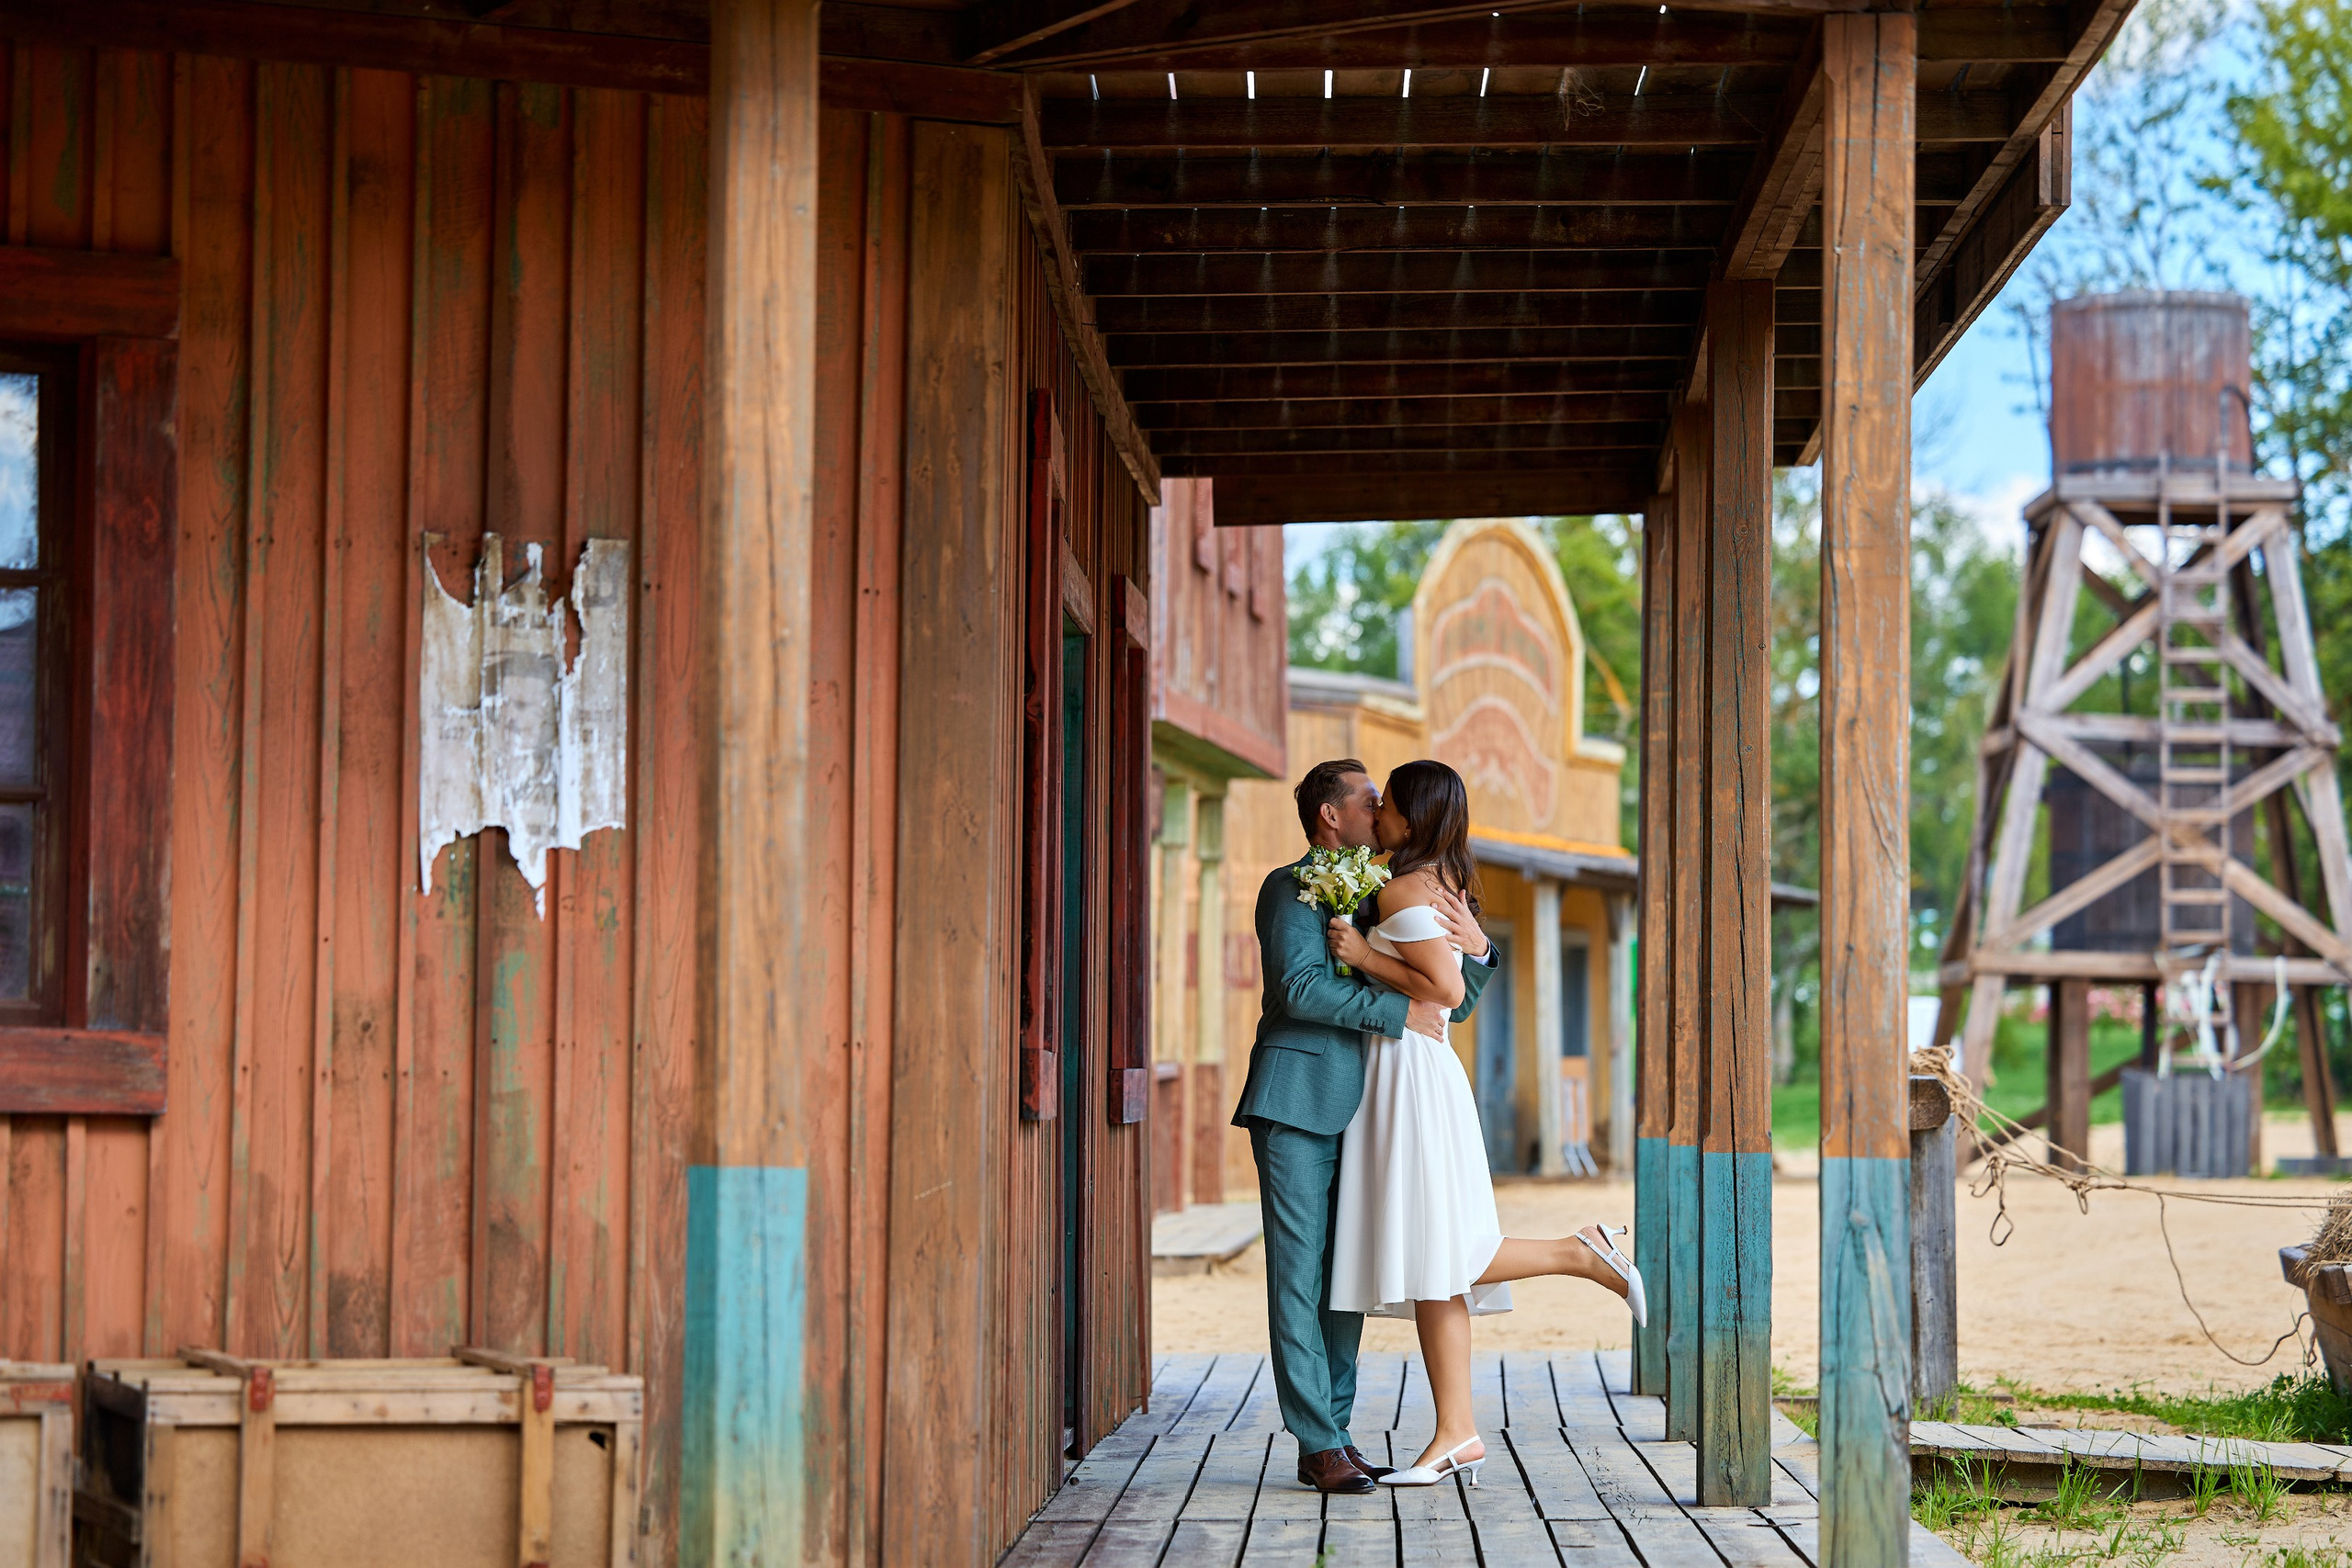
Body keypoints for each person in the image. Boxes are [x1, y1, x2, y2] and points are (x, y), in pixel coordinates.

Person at [1324, 759, 1647, 1488]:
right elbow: (1455, 977)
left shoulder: (1408, 886)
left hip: (1410, 1070)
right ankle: (1456, 1432)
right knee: (1437, 1266)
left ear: (1414, 816)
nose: (1379, 817)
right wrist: (1470, 948)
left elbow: (1441, 990)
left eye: (1390, 806)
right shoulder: (1442, 883)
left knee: (1440, 1248)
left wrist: (1364, 953)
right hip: (1419, 1070)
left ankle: (1581, 1251)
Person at [1231, 758, 1499, 1495]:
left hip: (1373, 1111)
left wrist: (1478, 946)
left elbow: (1449, 1004)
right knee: (1298, 1274)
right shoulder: (1289, 888)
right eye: (1367, 799)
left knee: (1343, 1278)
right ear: (1330, 815)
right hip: (1296, 1099)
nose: (1379, 808)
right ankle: (1318, 1441)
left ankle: (1337, 1433)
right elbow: (1298, 987)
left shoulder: (1382, 890)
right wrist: (1396, 1009)